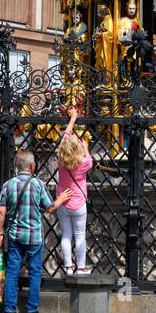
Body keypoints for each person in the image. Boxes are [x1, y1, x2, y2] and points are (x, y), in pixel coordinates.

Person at [0, 150, 71, 313]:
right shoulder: (38, 184)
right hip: (34, 236)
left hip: (15, 235)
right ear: (32, 166)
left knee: (12, 271)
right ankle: (32, 310)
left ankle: (9, 309)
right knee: (35, 272)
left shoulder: (8, 184)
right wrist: (61, 198)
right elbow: (50, 208)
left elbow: (1, 211)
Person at [56, 107, 94, 276]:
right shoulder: (84, 163)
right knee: (80, 236)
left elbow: (65, 137)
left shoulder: (61, 160)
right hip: (79, 204)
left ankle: (68, 266)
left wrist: (72, 119)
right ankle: (80, 267)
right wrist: (85, 146)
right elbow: (90, 159)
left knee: (66, 235)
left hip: (63, 201)